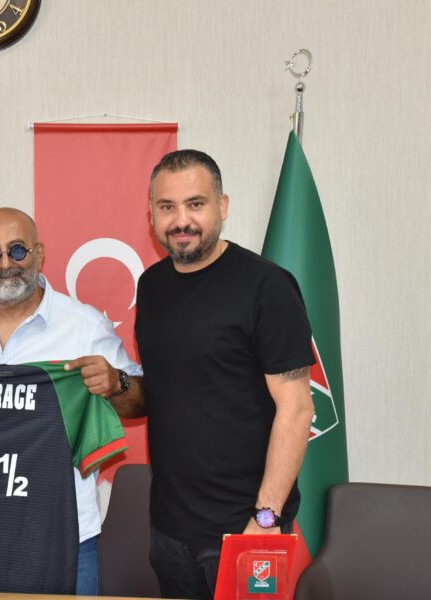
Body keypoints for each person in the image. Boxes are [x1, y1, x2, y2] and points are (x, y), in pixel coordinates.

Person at [134, 149, 316, 599]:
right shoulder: (151, 286)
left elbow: (297, 409)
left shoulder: (267, 286)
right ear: (151, 214)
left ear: (223, 206)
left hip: (246, 527)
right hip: (170, 531)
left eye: (195, 204)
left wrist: (266, 519)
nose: (181, 220)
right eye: (167, 206)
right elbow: (170, 389)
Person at [0, 207, 144, 595]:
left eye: (17, 250)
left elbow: (141, 401)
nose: (6, 264)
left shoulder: (83, 324)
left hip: (64, 534)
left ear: (39, 253)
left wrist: (116, 383)